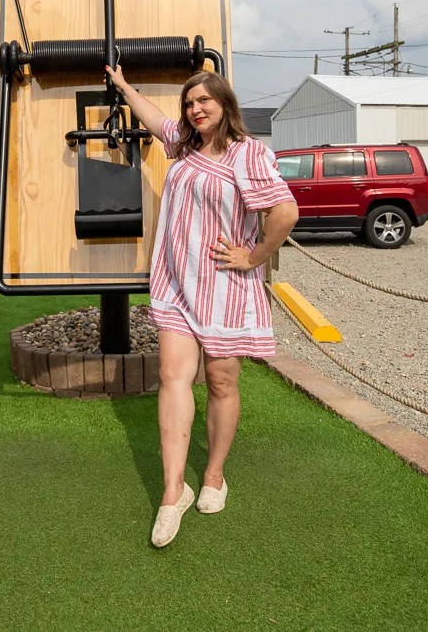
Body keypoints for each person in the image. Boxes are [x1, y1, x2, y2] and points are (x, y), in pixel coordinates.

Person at [105, 64, 299, 548]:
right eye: (189, 103)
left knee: (220, 379)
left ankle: (213, 475)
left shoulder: (249, 153)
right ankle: (174, 491)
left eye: (204, 101)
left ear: (225, 104)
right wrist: (126, 87)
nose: (195, 109)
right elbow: (153, 120)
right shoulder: (183, 146)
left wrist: (253, 256)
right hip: (175, 282)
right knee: (172, 376)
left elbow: (285, 211)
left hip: (225, 284)